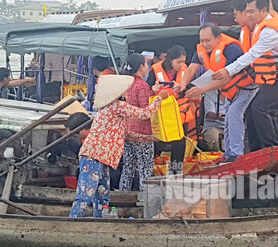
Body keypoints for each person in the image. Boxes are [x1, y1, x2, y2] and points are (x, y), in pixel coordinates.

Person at [212, 0, 278, 151]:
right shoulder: (261, 26)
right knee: (254, 108)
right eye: (247, 11)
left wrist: (228, 70)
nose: (249, 15)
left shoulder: (269, 31)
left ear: (263, 11)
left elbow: (252, 55)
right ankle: (256, 149)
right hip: (274, 77)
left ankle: (272, 147)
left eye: (252, 11)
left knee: (260, 108)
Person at [69, 75, 168, 217]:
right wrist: (159, 98)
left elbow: (126, 134)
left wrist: (150, 138)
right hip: (94, 157)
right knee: (86, 195)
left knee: (102, 196)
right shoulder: (116, 106)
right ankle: (74, 221)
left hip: (102, 159)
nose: (127, 92)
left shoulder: (110, 110)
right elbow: (145, 113)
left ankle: (99, 220)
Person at [177, 22, 256, 162]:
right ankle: (229, 153)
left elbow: (225, 78)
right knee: (229, 118)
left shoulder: (231, 48)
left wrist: (201, 90)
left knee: (233, 114)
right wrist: (182, 84)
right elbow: (190, 69)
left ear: (218, 38)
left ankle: (237, 153)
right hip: (228, 91)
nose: (205, 44)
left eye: (208, 40)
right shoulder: (201, 50)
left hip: (246, 86)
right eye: (202, 40)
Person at [146, 45, 193, 173]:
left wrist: (182, 88)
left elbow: (192, 88)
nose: (181, 64)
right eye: (178, 62)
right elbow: (147, 90)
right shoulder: (155, 70)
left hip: (180, 113)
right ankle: (149, 171)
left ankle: (176, 172)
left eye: (183, 61)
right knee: (157, 142)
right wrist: (153, 90)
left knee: (180, 144)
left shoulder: (185, 71)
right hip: (162, 114)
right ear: (170, 60)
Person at [119, 53, 156, 191]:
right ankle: (145, 200)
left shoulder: (126, 83)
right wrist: (158, 98)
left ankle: (123, 196)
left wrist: (152, 92)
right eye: (146, 64)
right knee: (145, 169)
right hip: (142, 134)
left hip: (127, 131)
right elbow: (147, 110)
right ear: (141, 67)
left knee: (128, 168)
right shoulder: (142, 85)